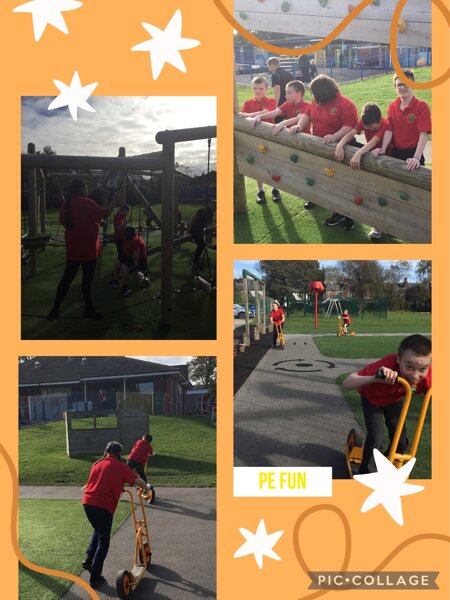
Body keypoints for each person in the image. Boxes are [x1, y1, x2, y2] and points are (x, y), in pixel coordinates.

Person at [342, 334, 431, 474]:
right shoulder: (387, 365)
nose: (415, 375)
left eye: (422, 369)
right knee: (376, 439)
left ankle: (382, 463)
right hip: (372, 399)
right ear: (398, 359)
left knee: (401, 443)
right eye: (409, 367)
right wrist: (375, 378)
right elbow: (347, 382)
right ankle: (364, 473)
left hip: (394, 400)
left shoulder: (429, 377)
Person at [290, 75, 358, 229]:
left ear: (324, 92)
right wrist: (300, 126)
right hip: (319, 147)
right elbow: (307, 115)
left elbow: (350, 126)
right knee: (321, 177)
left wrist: (335, 136)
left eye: (314, 93)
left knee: (338, 182)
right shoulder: (316, 102)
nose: (312, 97)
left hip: (340, 149)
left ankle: (344, 214)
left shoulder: (345, 104)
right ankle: (319, 199)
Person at [82, 441, 152, 588]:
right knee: (104, 541)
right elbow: (137, 480)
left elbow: (95, 482)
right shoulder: (120, 467)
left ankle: (89, 558)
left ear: (106, 451)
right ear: (119, 454)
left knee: (98, 530)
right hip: (103, 506)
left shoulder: (97, 464)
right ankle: (95, 577)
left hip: (88, 504)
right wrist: (147, 489)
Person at [47, 179, 117, 321]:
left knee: (66, 279)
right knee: (87, 281)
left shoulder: (66, 205)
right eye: (85, 187)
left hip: (73, 249)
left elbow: (68, 222)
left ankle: (55, 310)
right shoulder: (86, 202)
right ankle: (89, 310)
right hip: (88, 248)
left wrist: (94, 222)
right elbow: (106, 213)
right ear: (80, 189)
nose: (86, 190)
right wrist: (115, 199)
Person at [335, 103, 392, 239]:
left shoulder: (384, 124)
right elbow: (351, 134)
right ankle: (376, 227)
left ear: (379, 120)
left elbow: (373, 141)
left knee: (385, 196)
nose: (370, 128)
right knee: (371, 192)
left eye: (374, 127)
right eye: (368, 127)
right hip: (371, 158)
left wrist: (358, 154)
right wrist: (340, 144)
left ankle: (388, 226)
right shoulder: (364, 123)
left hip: (387, 160)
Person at [372, 69, 431, 172]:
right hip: (396, 154)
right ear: (395, 87)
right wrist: (383, 148)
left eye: (406, 84)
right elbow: (389, 130)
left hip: (414, 154)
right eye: (399, 85)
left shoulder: (421, 106)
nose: (403, 87)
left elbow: (423, 134)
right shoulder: (392, 106)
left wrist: (416, 157)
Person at [237, 76, 281, 203]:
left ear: (267, 89)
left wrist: (249, 115)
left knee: (272, 164)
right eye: (255, 88)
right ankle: (261, 190)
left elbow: (266, 112)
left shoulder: (271, 101)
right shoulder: (248, 103)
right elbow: (243, 119)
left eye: (261, 88)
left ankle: (275, 188)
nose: (258, 91)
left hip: (269, 138)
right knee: (257, 164)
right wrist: (246, 116)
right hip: (254, 140)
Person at [117, 226, 148, 297]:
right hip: (130, 256)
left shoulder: (135, 241)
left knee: (124, 267)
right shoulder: (129, 238)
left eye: (125, 234)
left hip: (139, 260)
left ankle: (125, 288)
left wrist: (136, 266)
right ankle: (115, 280)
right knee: (118, 263)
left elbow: (136, 256)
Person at [188, 204, 215, 269]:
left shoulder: (211, 213)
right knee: (201, 245)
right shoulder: (202, 210)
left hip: (198, 230)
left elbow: (210, 223)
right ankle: (195, 262)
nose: (214, 208)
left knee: (201, 246)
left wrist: (213, 226)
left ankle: (196, 261)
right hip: (194, 229)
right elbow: (193, 217)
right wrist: (189, 226)